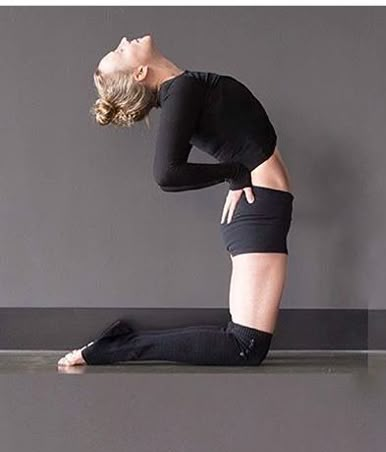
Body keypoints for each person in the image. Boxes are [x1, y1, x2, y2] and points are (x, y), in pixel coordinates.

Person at [58, 35, 292, 368]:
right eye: (121, 51)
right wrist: (236, 172)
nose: (124, 40)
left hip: (262, 208)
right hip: (260, 211)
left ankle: (119, 345)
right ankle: (118, 348)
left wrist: (237, 171)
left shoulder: (184, 88)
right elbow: (167, 173)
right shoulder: (181, 91)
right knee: (245, 347)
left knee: (245, 344)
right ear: (140, 72)